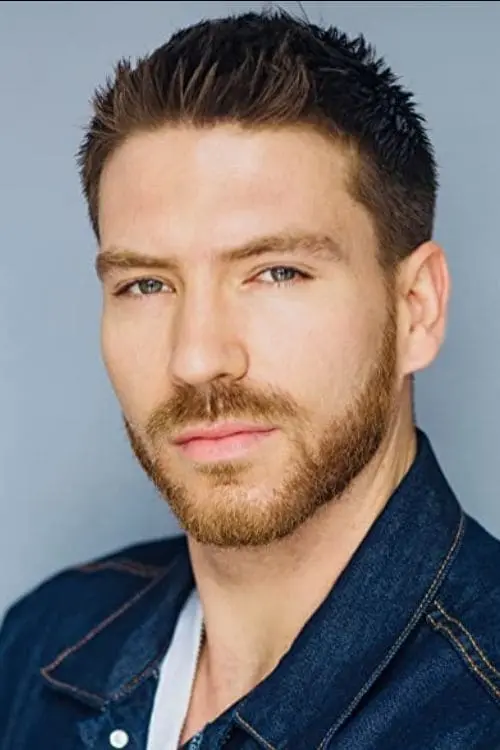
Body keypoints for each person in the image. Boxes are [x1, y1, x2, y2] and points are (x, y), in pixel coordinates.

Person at [1, 8, 499, 750]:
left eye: (276, 272)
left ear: (416, 309)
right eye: (145, 284)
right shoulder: (41, 644)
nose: (197, 358)